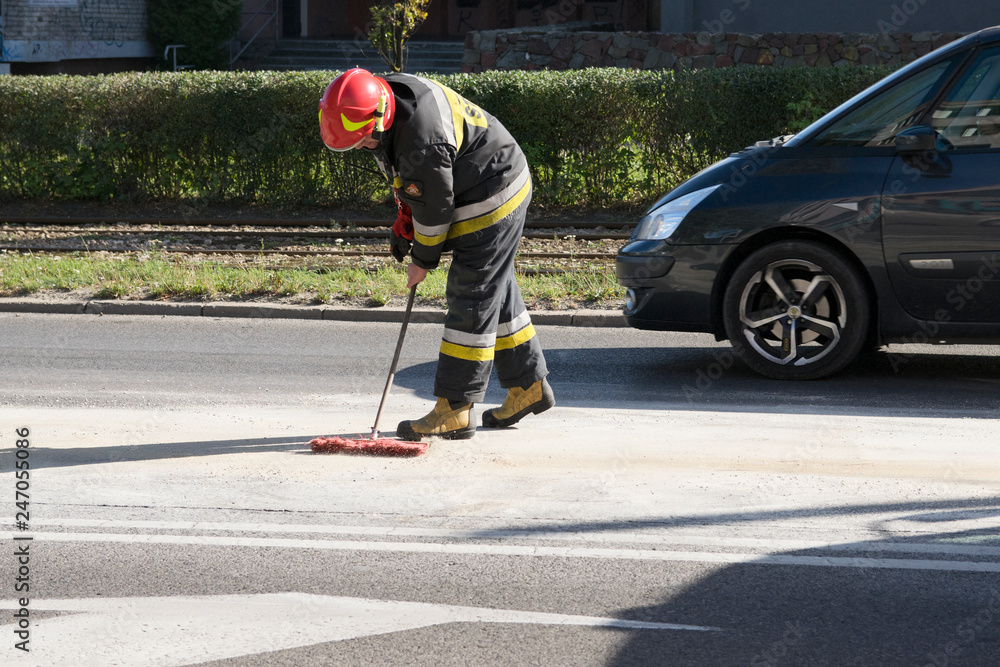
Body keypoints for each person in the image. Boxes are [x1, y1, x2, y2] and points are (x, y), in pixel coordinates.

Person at [318, 68, 554, 441]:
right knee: (495, 289)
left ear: (380, 116)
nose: (361, 147)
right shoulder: (388, 97)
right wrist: (404, 217)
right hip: (481, 177)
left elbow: (436, 210)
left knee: (472, 293)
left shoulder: (420, 141)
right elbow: (416, 184)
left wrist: (422, 260)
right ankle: (528, 386)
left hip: (492, 194)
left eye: (362, 140)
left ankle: (455, 408)